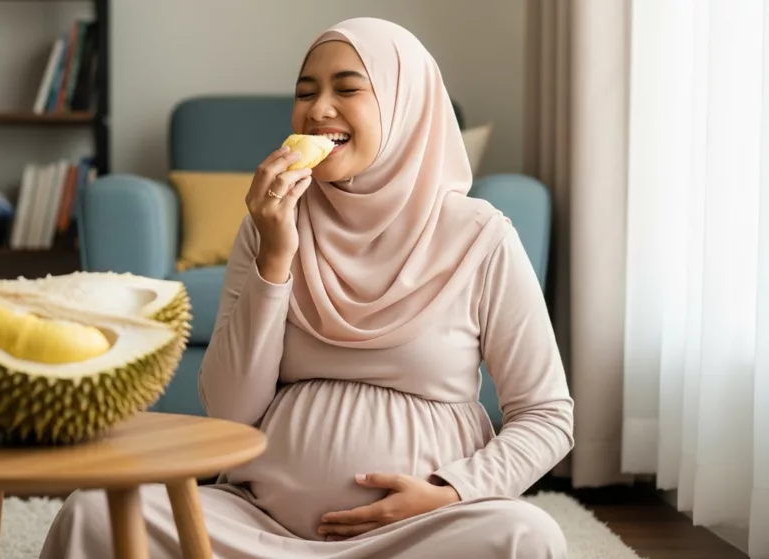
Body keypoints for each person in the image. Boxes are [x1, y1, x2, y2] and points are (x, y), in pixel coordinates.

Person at [37, 16, 574, 559]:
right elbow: (228, 413)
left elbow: (548, 414)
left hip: (418, 535)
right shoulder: (271, 224)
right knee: (92, 513)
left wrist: (449, 492)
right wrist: (275, 255)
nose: (317, 109)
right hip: (256, 527)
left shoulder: (480, 237)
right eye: (304, 92)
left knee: (527, 536)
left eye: (346, 89)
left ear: (403, 105)